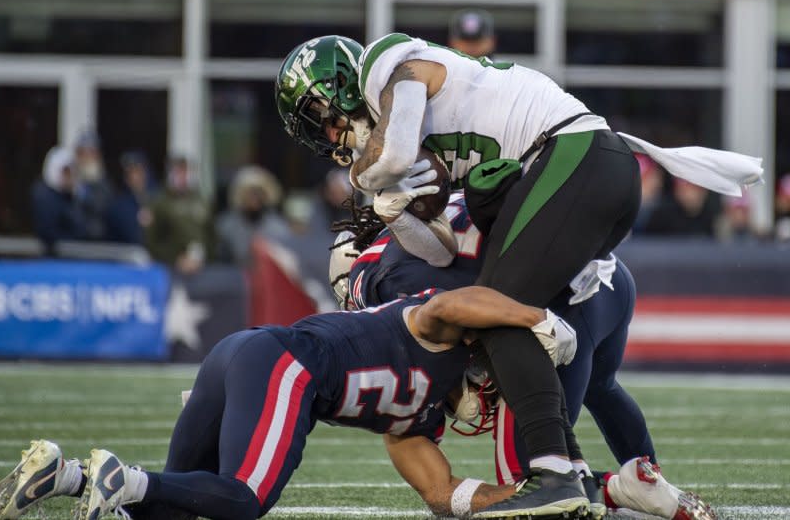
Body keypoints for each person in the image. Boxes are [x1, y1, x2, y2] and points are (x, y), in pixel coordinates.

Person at [275, 34, 760, 516]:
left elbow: (396, 160)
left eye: (324, 121)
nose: (333, 138)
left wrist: (364, 179)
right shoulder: (418, 143)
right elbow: (441, 253)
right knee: (583, 378)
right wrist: (396, 212)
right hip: (597, 237)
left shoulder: (386, 64)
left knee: (501, 348)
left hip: (574, 165)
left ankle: (562, 474)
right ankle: (635, 480)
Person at [0, 286, 579, 520]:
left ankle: (61, 474)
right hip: (285, 363)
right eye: (490, 389)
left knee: (184, 504)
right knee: (244, 500)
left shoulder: (415, 425)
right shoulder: (445, 335)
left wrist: (522, 501)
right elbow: (451, 302)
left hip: (243, 352)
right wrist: (537, 319)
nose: (483, 405)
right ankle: (123, 478)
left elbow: (440, 493)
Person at [330, 192, 717, 520]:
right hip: (610, 278)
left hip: (567, 304)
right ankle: (647, 477)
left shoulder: (382, 283)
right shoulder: (416, 230)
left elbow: (468, 311)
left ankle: (624, 491)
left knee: (534, 482)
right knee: (602, 386)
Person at [145, 155, 211, 275]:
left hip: (201, 267)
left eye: (184, 171)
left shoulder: (201, 200)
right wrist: (176, 258)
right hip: (172, 268)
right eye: (177, 171)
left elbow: (210, 234)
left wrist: (204, 257)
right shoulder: (159, 202)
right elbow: (152, 241)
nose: (182, 176)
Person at [214, 165, 291, 267]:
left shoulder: (278, 227)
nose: (254, 197)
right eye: (250, 192)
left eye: (259, 192)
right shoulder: (226, 225)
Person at [30, 146, 87, 255]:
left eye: (71, 171)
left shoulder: (71, 196)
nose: (70, 176)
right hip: (56, 261)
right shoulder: (44, 197)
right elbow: (49, 233)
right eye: (66, 172)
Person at [105, 151, 154, 245]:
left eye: (139, 171)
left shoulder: (157, 200)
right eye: (131, 172)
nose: (136, 177)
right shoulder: (117, 207)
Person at [73, 128, 113, 241]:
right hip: (72, 242)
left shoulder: (104, 184)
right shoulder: (69, 178)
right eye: (82, 153)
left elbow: (102, 208)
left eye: (91, 153)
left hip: (95, 242)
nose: (86, 158)